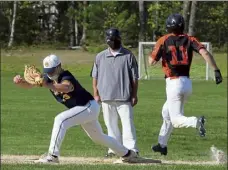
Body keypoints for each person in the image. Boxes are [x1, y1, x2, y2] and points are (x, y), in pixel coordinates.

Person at [13, 54, 139, 163]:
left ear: (59, 66)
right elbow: (29, 86)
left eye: (52, 70)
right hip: (82, 110)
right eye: (47, 71)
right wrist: (20, 82)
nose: (49, 73)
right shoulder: (47, 78)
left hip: (88, 106)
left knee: (60, 120)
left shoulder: (66, 76)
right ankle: (127, 154)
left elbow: (66, 87)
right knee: (99, 137)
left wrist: (48, 85)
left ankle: (52, 156)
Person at [148, 14, 223, 156]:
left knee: (176, 120)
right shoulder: (190, 39)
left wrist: (154, 55)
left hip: (173, 83)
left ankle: (196, 122)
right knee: (166, 112)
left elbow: (151, 62)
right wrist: (216, 70)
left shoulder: (163, 40)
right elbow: (205, 53)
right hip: (187, 83)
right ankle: (162, 144)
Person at [91, 28, 139, 157]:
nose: (112, 42)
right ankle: (113, 150)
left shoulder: (128, 55)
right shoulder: (100, 56)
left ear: (119, 39)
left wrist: (134, 95)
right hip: (106, 96)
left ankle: (132, 149)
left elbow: (134, 77)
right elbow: (95, 76)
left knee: (127, 124)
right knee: (110, 125)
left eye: (114, 39)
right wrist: (96, 93)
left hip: (124, 97)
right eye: (110, 40)